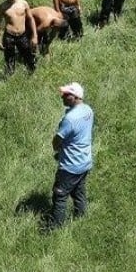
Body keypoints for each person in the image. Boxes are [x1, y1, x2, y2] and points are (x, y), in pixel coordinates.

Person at [49, 82, 93, 230]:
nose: (62, 96)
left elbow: (57, 140)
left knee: (60, 197)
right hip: (85, 162)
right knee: (78, 192)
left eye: (66, 94)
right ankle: (81, 218)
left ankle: (55, 229)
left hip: (70, 166)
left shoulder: (70, 119)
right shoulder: (88, 110)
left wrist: (57, 149)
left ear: (75, 97)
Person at [0, 0, 37, 75]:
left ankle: (31, 76)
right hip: (9, 36)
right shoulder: (2, 7)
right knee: (9, 60)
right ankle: (9, 79)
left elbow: (30, 19)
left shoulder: (24, 4)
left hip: (22, 35)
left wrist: (35, 36)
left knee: (29, 58)